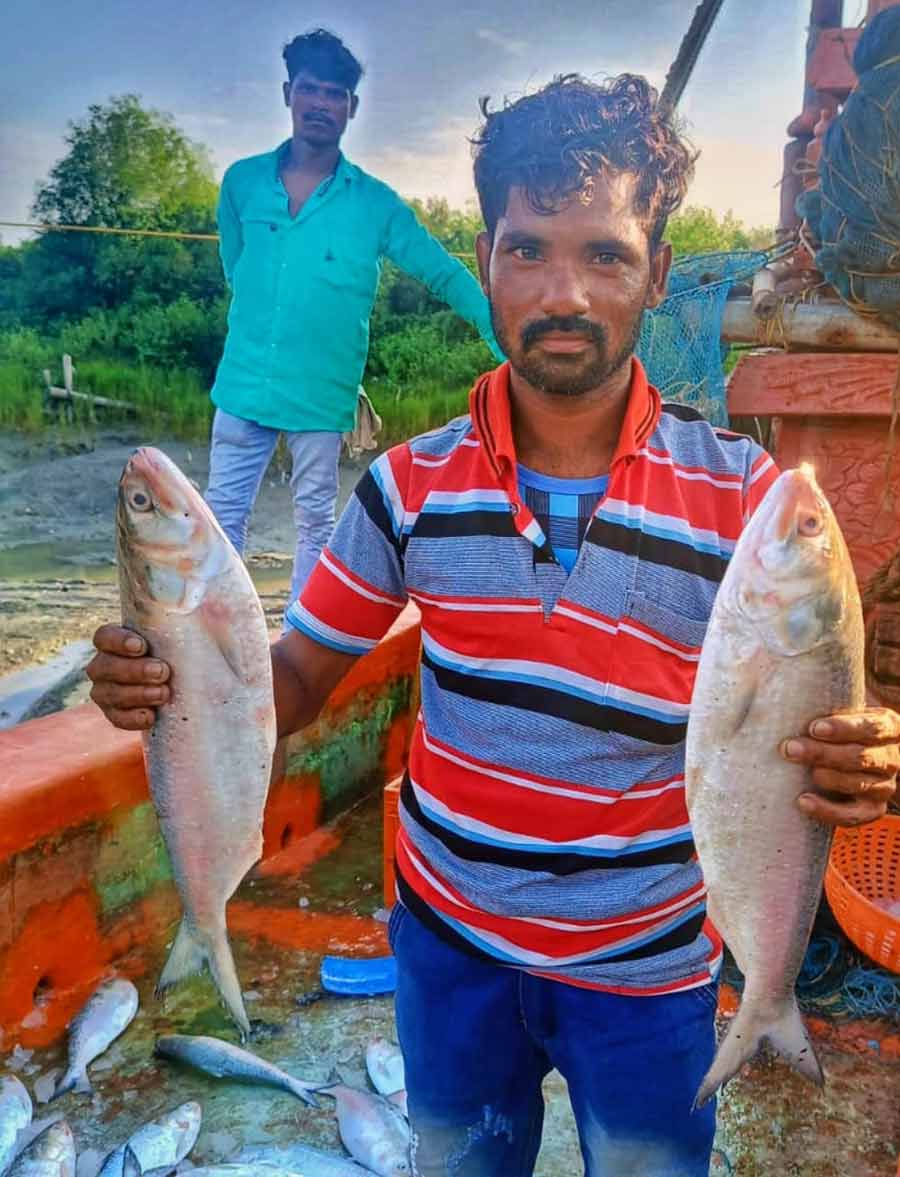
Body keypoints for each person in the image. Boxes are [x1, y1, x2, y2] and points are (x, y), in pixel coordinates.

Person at [88, 74, 900, 1176]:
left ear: (659, 273)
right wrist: (170, 678)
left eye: (605, 254)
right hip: (450, 953)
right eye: (527, 250)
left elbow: (809, 718)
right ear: (485, 262)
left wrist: (861, 753)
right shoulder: (407, 485)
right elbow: (293, 682)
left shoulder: (747, 502)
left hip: (650, 963)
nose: (564, 291)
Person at [206, 27, 503, 611]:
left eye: (334, 94)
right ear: (289, 94)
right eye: (310, 89)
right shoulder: (242, 182)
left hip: (323, 393)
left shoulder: (375, 203)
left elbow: (442, 273)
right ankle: (219, 635)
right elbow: (236, 268)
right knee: (220, 519)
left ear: (352, 107)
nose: (321, 103)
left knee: (316, 521)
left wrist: (501, 334)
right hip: (243, 382)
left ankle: (301, 639)